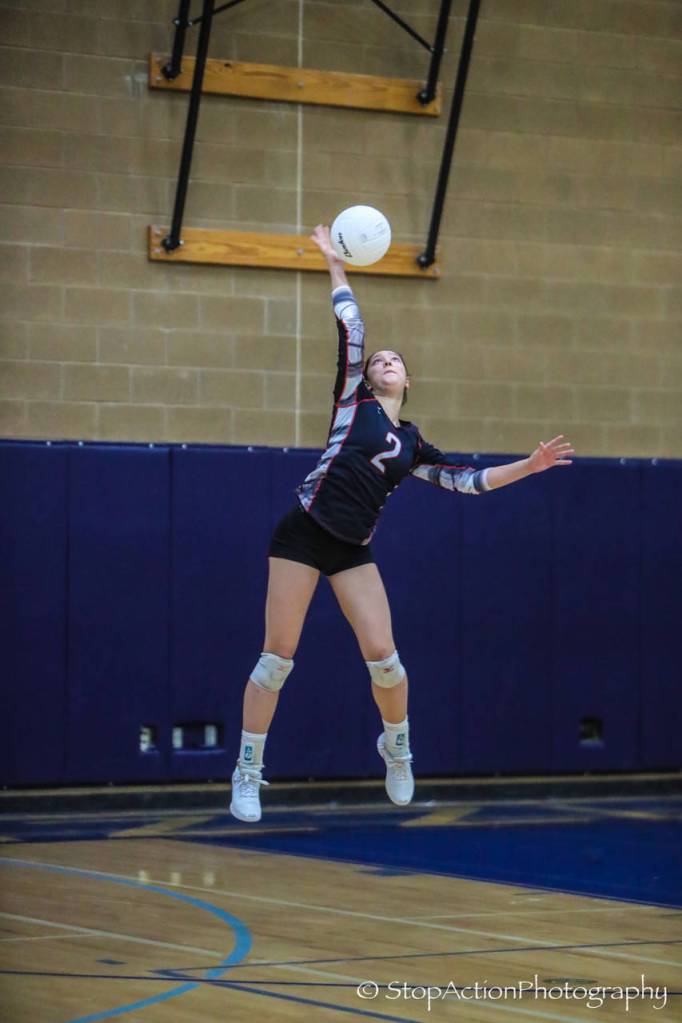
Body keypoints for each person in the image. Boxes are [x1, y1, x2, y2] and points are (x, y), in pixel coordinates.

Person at [230, 224, 574, 822]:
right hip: (302, 533)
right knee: (275, 660)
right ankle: (248, 770)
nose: (385, 361)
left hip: (352, 551)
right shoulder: (351, 404)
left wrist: (532, 464)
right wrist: (335, 264)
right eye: (380, 360)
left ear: (408, 382)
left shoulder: (414, 446)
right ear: (368, 376)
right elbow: (352, 329)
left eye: (397, 361)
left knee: (386, 660)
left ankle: (397, 747)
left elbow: (470, 482)